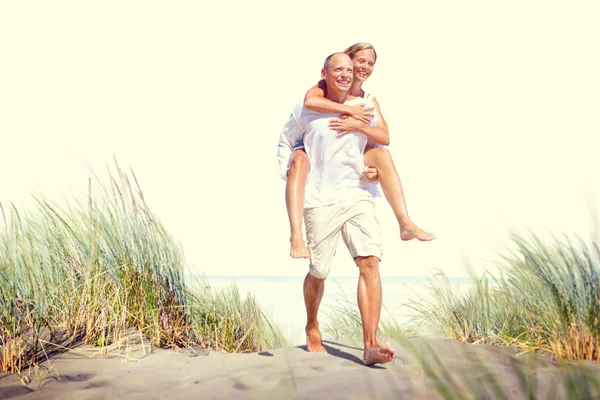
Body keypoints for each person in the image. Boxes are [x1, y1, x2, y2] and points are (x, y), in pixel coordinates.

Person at [277, 52, 395, 365]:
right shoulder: (309, 107)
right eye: (337, 69)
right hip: (319, 199)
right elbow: (285, 142)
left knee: (370, 261)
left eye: (348, 69)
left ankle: (370, 345)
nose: (344, 74)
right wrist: (289, 169)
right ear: (325, 73)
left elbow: (377, 146)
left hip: (357, 196)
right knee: (319, 271)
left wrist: (371, 172)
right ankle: (312, 324)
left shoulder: (365, 107)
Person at [286, 43, 434, 259]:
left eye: (370, 63)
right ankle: (296, 234)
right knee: (299, 160)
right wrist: (349, 110)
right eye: (360, 61)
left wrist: (359, 126)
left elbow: (384, 137)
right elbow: (310, 101)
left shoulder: (369, 99)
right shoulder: (321, 88)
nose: (365, 67)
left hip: (351, 160)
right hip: (317, 154)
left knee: (382, 155)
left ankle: (405, 223)